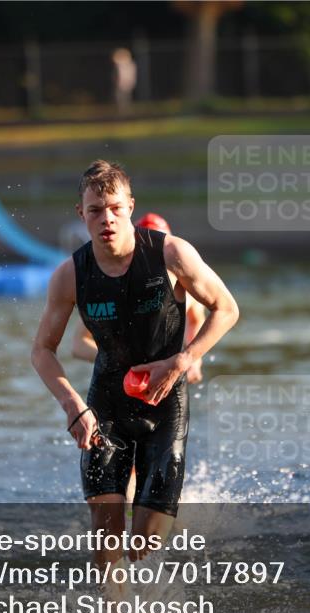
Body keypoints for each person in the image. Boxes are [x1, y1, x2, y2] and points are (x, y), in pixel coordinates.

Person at [31, 160, 238, 575]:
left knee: (144, 544)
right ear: (81, 214)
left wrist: (183, 360)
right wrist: (72, 405)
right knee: (105, 539)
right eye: (94, 210)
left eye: (114, 208)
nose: (105, 219)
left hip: (165, 404)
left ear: (129, 207)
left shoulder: (170, 253)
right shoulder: (70, 275)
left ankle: (151, 612)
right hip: (105, 405)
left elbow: (227, 309)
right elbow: (42, 351)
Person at [70, 213, 207, 505]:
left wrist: (191, 360)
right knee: (122, 460)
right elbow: (77, 344)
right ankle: (130, 502)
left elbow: (197, 320)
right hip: (121, 385)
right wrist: (120, 361)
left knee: (161, 453)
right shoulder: (110, 286)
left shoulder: (178, 273)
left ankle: (155, 502)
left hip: (165, 378)